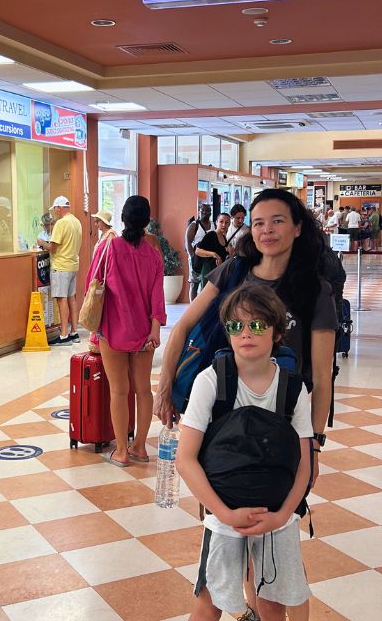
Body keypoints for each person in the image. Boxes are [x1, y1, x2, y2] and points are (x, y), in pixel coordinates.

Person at [156, 189, 335, 621]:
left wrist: (315, 442)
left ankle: (256, 610)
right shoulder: (232, 270)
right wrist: (164, 389)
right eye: (258, 222)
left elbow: (322, 372)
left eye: (277, 221)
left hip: (281, 426)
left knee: (269, 547)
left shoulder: (314, 288)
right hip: (221, 426)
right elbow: (182, 328)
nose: (267, 230)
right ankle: (242, 607)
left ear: (296, 227)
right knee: (227, 530)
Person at [177, 285, 312, 621]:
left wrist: (282, 516)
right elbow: (185, 459)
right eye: (236, 326)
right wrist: (224, 513)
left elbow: (305, 467)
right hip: (224, 512)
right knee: (210, 600)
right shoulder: (211, 382)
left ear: (277, 332)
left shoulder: (293, 389)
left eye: (257, 325)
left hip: (277, 514)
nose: (246, 334)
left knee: (273, 602)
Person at [88, 195, 166, 466]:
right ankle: (140, 447)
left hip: (113, 328)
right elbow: (158, 297)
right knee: (143, 390)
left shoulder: (109, 248)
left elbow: (92, 283)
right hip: (144, 332)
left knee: (119, 390)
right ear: (147, 221)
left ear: (123, 218)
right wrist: (155, 327)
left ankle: (121, 451)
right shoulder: (153, 255)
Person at [47, 195, 83, 345]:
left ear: (59, 208)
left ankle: (63, 335)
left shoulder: (61, 224)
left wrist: (42, 242)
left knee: (62, 300)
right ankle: (74, 332)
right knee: (71, 299)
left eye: (55, 209)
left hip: (61, 266)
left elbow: (53, 247)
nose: (55, 212)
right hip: (73, 265)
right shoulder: (76, 221)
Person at [194, 213, 231, 290]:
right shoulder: (211, 235)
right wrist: (214, 254)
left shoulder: (224, 238)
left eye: (226, 222)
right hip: (208, 270)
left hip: (218, 272)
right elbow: (198, 251)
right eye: (221, 221)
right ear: (216, 222)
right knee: (206, 297)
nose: (224, 225)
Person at [186, 204, 213, 301]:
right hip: (196, 258)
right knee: (194, 283)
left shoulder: (213, 225)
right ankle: (192, 307)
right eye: (203, 211)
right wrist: (193, 258)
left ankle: (203, 308)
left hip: (209, 259)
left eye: (207, 211)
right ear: (199, 211)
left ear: (210, 212)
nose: (205, 213)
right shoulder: (194, 225)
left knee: (207, 283)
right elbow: (187, 243)